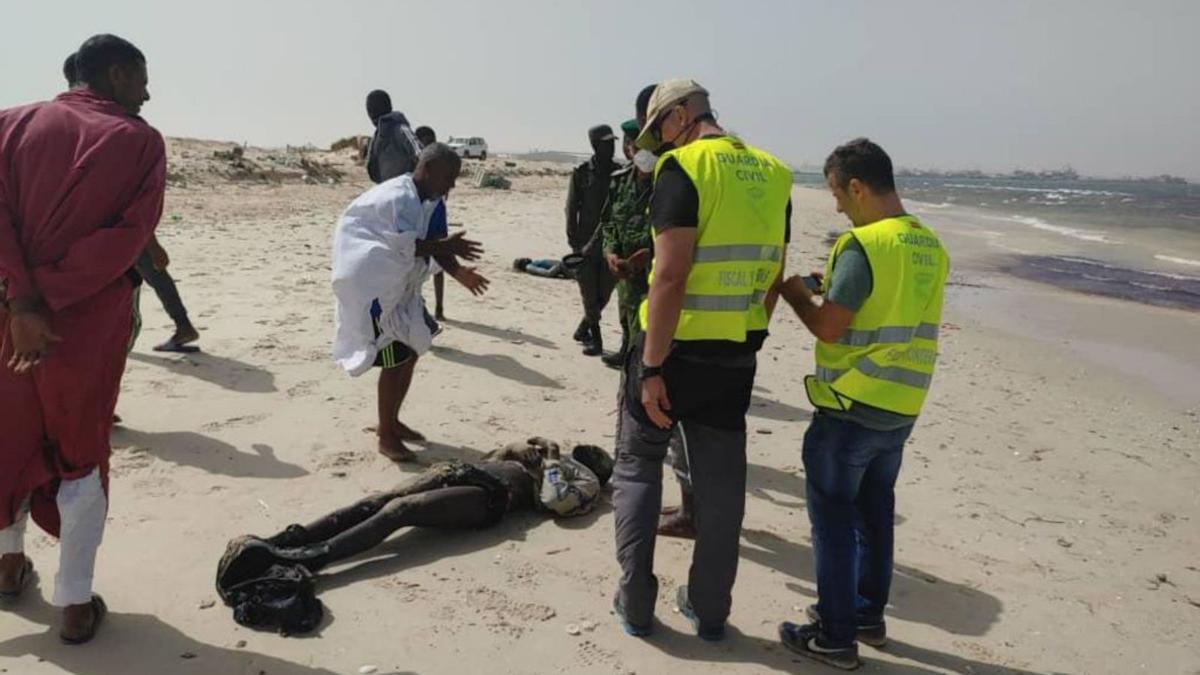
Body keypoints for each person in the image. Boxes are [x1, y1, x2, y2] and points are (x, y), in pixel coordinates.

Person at [611, 80, 793, 640]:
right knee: (721, 486)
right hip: (735, 352)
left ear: (685, 114)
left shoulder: (684, 169)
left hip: (673, 349)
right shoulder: (775, 172)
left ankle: (637, 602)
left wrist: (654, 367)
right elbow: (773, 272)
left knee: (639, 465)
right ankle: (711, 609)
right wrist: (750, 331)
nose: (659, 140)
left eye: (660, 125)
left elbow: (669, 275)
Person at [0, 34, 166, 644]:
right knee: (80, 451)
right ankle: (72, 604)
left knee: (7, 436)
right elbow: (127, 239)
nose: (148, 93)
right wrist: (47, 301)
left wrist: (21, 299)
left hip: (7, 314)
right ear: (117, 74)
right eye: (142, 79)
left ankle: (7, 564)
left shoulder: (9, 124)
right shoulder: (140, 140)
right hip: (85, 322)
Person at [775, 139, 949, 670]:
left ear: (856, 186)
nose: (835, 206)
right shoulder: (929, 243)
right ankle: (867, 615)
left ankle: (834, 634)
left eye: (835, 193)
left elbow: (831, 327)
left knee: (832, 521)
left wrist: (796, 294)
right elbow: (893, 306)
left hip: (850, 405)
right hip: (902, 405)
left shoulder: (863, 244)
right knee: (876, 513)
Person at [215, 439, 615, 634]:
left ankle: (310, 558)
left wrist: (547, 463)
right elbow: (494, 457)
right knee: (380, 499)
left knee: (399, 512)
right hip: (465, 473)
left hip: (491, 498)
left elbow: (556, 503)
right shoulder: (559, 458)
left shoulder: (587, 483)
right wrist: (521, 449)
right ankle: (286, 541)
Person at [331, 144, 489, 463]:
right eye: (449, 178)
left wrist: (459, 273)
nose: (452, 186)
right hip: (374, 287)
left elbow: (436, 244)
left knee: (414, 349)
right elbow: (403, 244)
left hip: (402, 288)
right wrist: (445, 247)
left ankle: (392, 420)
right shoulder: (397, 197)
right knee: (394, 358)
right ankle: (385, 434)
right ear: (427, 170)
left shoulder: (432, 201)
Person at [63, 51, 199, 353]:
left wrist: (150, 242)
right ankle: (181, 327)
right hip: (113, 237)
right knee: (150, 275)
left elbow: (123, 199)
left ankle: (166, 331)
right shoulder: (115, 131)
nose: (147, 95)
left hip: (111, 239)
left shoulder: (120, 134)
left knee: (134, 284)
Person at [597, 119, 653, 369]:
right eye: (632, 145)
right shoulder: (619, 181)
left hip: (655, 271)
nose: (635, 150)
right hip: (624, 269)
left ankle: (644, 362)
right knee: (627, 313)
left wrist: (650, 253)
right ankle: (626, 351)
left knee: (650, 321)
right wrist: (610, 252)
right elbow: (609, 222)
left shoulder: (669, 182)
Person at [565, 125, 618, 356]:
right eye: (606, 142)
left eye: (612, 142)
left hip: (610, 245)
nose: (612, 146)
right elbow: (571, 208)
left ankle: (583, 328)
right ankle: (595, 340)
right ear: (595, 145)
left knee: (603, 294)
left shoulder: (619, 174)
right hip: (585, 245)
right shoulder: (582, 172)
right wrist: (574, 243)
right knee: (589, 293)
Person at [414, 125, 448, 322]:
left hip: (435, 214)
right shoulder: (417, 165)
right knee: (420, 269)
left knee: (439, 264)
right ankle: (431, 310)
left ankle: (439, 307)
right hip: (424, 216)